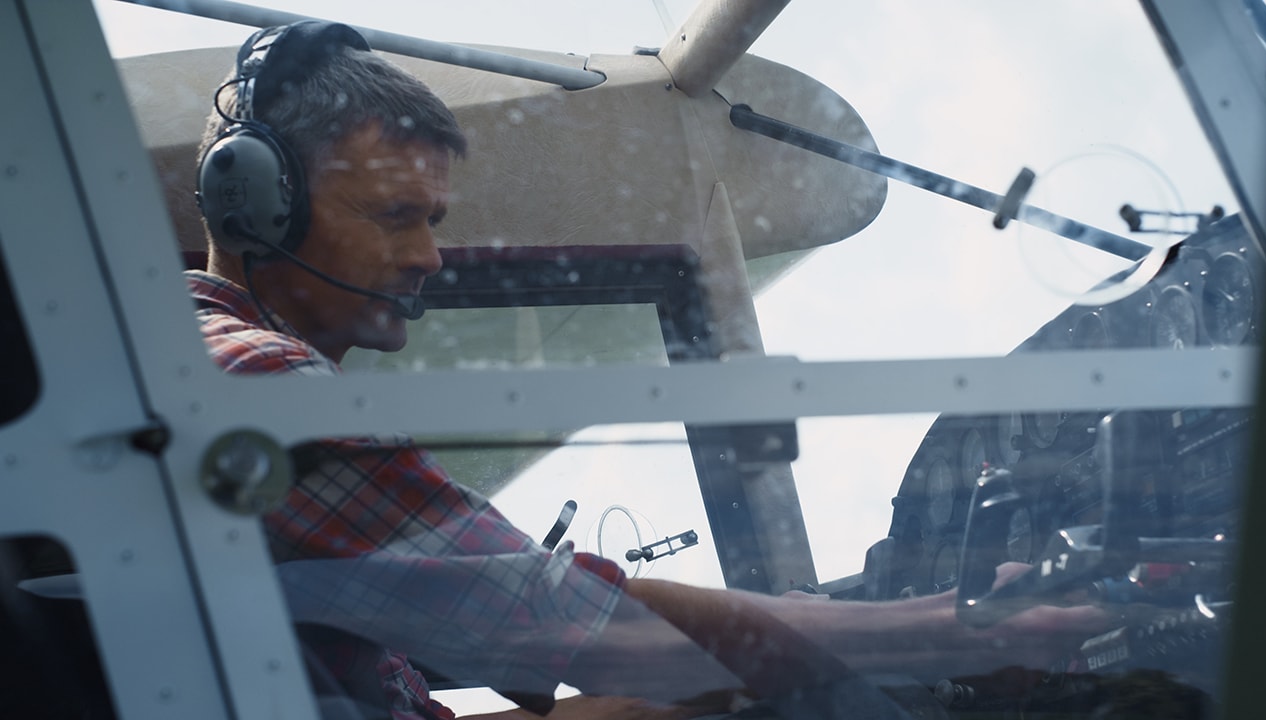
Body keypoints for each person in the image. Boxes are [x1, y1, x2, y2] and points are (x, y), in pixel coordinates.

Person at [186, 21, 1108, 720]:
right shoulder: (255, 390)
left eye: (433, 218)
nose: (430, 256)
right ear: (259, 207)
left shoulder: (207, 366)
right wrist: (954, 627)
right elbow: (576, 628)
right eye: (395, 215)